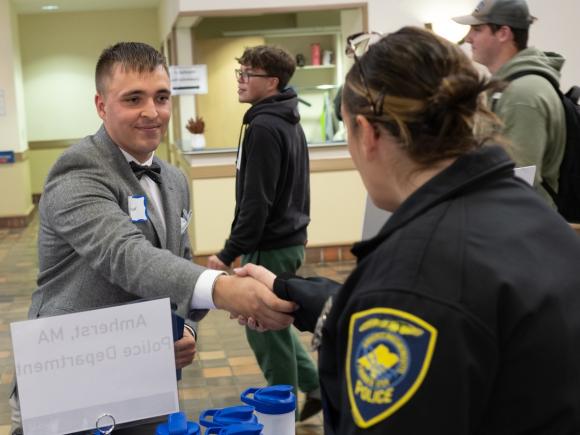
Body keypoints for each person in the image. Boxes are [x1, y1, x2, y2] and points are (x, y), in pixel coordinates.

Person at [236, 27, 580, 434]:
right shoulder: (534, 216)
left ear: (368, 133)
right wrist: (293, 292)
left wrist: (378, 299)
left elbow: (415, 302)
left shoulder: (413, 273)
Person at [10, 42, 295, 435]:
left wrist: (188, 327)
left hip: (145, 384)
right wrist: (226, 290)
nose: (152, 112)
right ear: (101, 105)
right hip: (70, 381)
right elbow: (126, 256)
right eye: (133, 98)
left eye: (161, 97)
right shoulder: (77, 172)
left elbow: (177, 260)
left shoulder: (174, 178)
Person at [206, 45, 321, 420]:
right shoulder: (285, 120)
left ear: (271, 82)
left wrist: (227, 252)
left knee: (264, 332)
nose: (239, 80)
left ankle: (278, 417)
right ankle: (318, 387)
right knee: (276, 325)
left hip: (270, 246)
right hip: (287, 240)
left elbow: (257, 202)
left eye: (247, 74)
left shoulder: (265, 127)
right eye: (239, 73)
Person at [453, 0, 566, 206]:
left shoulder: (523, 94)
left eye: (477, 29)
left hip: (523, 229)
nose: (468, 38)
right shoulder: (506, 89)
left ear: (503, 33)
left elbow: (516, 186)